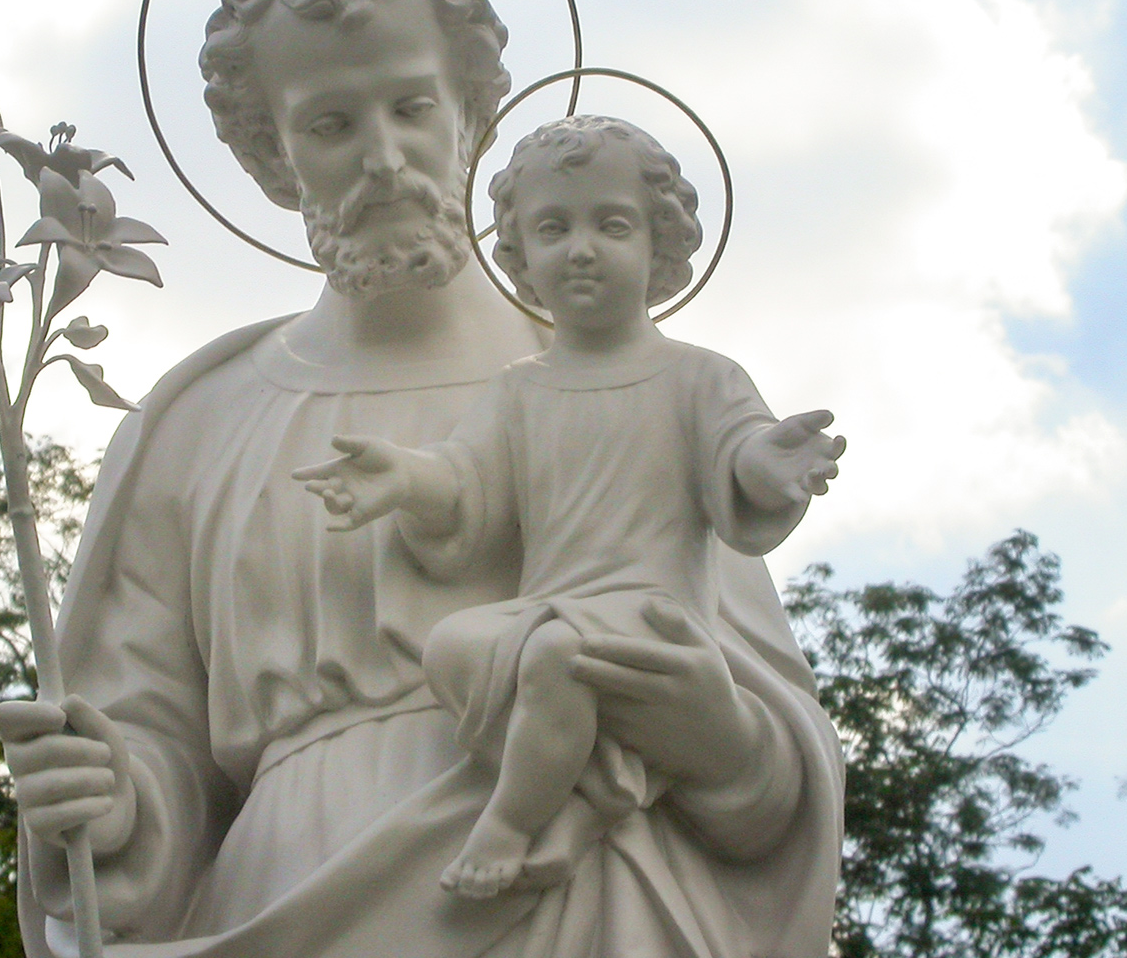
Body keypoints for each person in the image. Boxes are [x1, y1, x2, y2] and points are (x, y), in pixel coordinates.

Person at [0, 0, 845, 958]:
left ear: (474, 115)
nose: (385, 159)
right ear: (271, 155)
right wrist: (111, 803)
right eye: (331, 123)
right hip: (290, 904)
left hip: (592, 904)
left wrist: (724, 743)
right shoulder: (197, 423)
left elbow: (767, 779)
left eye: (412, 107)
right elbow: (146, 756)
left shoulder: (632, 381)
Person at [293, 115, 847, 902]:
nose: (581, 249)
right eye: (553, 229)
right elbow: (469, 482)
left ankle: (511, 822)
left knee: (556, 660)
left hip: (652, 617)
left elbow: (737, 454)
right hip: (553, 609)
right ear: (521, 254)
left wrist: (770, 463)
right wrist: (406, 478)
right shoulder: (521, 389)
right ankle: (596, 795)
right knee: (452, 645)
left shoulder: (698, 376)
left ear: (659, 243)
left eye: (610, 225)